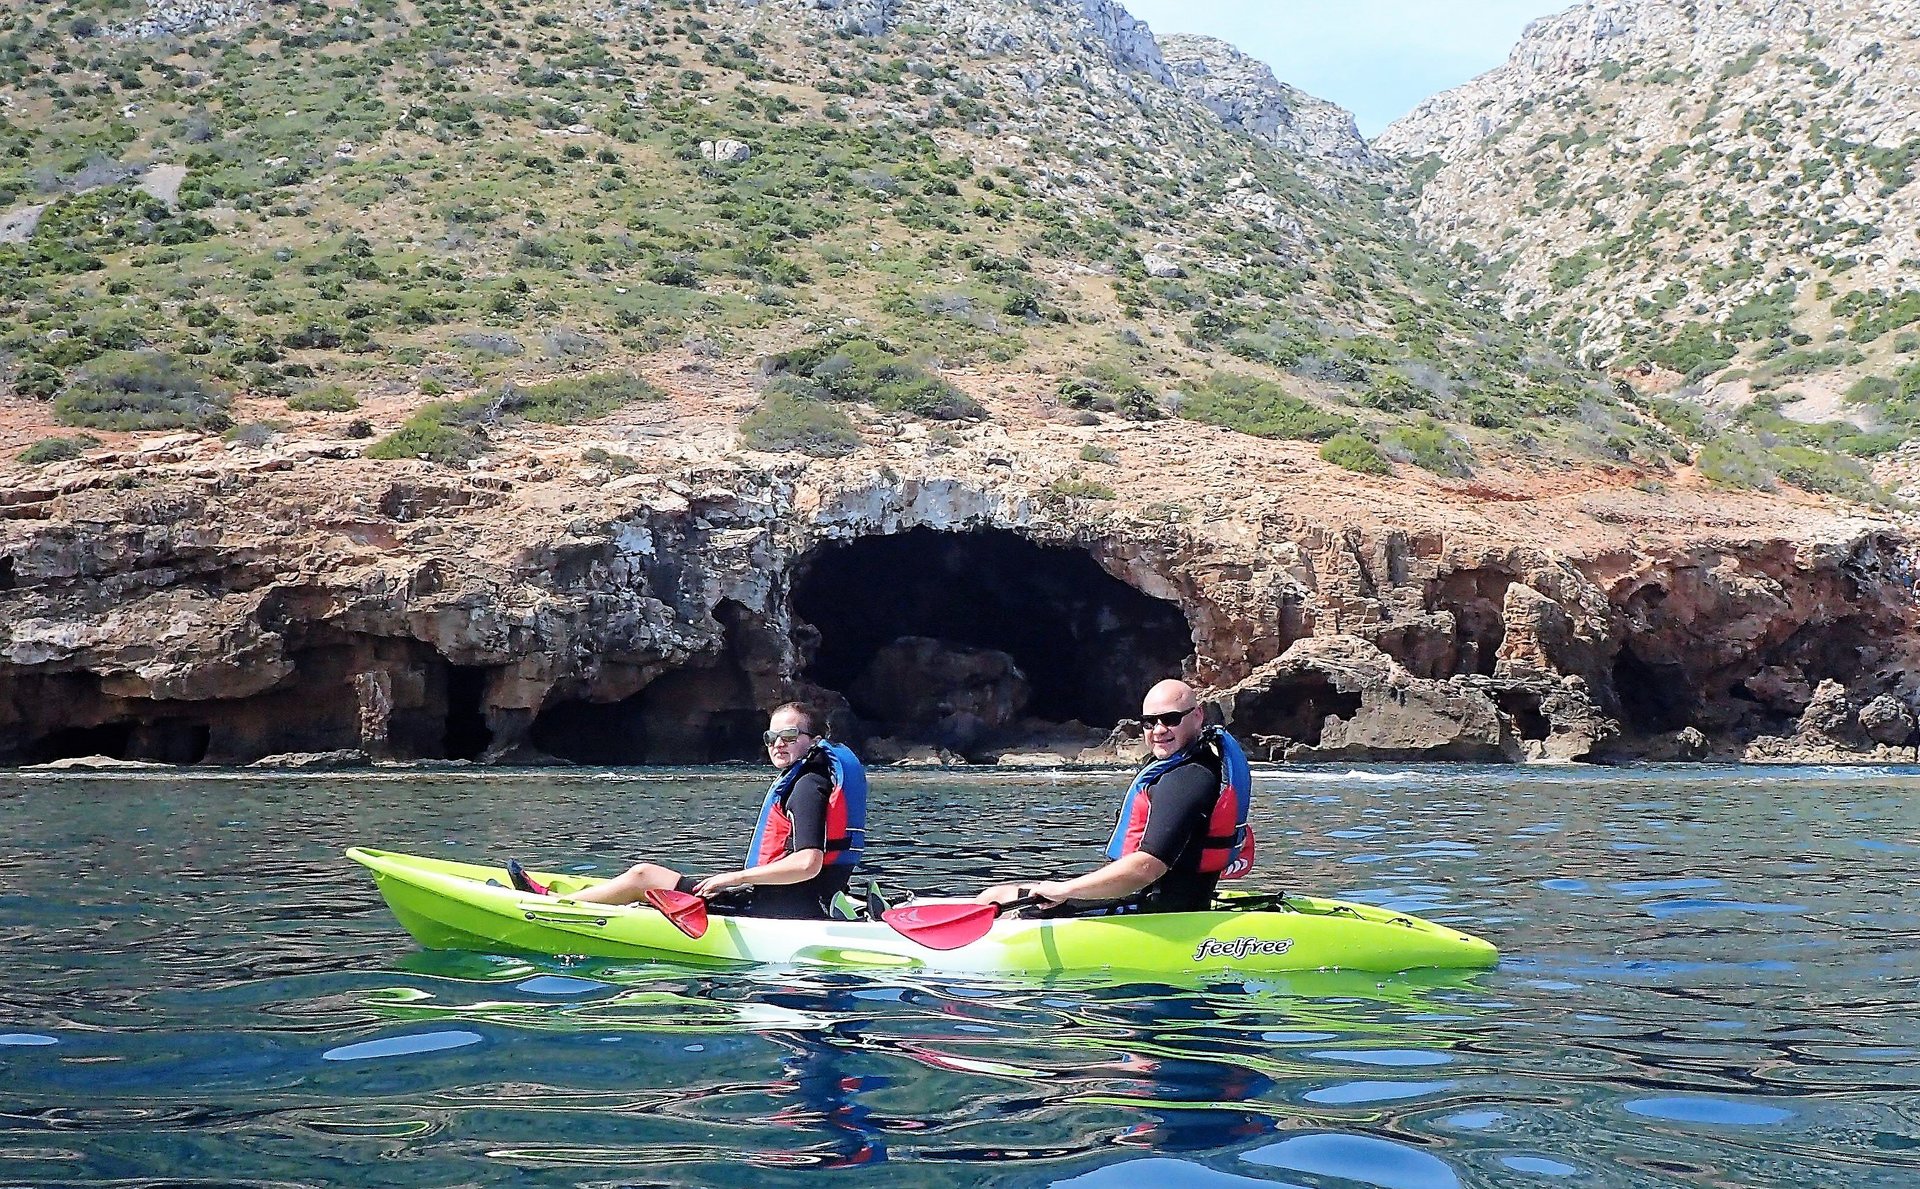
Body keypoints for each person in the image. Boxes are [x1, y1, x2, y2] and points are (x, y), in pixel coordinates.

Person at [510, 701, 867, 919]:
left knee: (643, 876)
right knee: (652, 881)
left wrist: (733, 879)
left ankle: (553, 908)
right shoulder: (814, 778)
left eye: (788, 736)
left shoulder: (807, 786)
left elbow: (807, 863)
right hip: (802, 901)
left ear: (813, 741)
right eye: (771, 738)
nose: (777, 744)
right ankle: (570, 900)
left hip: (779, 910)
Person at [975, 679, 1252, 915]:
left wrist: (1066, 889)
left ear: (1198, 715)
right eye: (1149, 722)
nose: (1158, 730)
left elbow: (1147, 867)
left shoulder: (1188, 778)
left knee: (997, 900)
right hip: (1152, 900)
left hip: (1150, 911)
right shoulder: (1187, 766)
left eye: (1171, 719)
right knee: (996, 895)